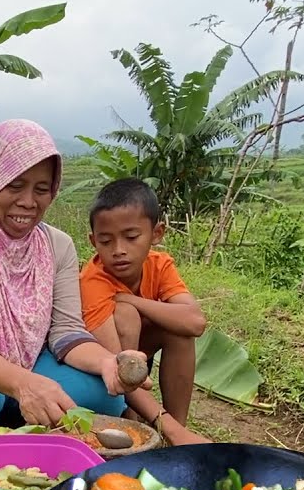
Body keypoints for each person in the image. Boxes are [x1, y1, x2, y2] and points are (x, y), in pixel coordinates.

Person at [0, 119, 149, 427]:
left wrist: (107, 361)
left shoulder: (58, 246)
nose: (28, 202)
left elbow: (66, 331)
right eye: (14, 185)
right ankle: (17, 405)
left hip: (34, 360)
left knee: (105, 395)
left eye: (41, 189)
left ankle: (18, 409)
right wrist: (24, 384)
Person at [80, 178, 210, 445]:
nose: (119, 251)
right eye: (106, 241)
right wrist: (128, 306)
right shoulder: (92, 281)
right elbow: (116, 365)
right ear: (93, 241)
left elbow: (195, 322)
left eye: (131, 237)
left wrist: (131, 299)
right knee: (125, 314)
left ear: (157, 233)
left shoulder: (159, 265)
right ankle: (135, 422)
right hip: (98, 367)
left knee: (178, 330)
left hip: (139, 356)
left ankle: (176, 431)